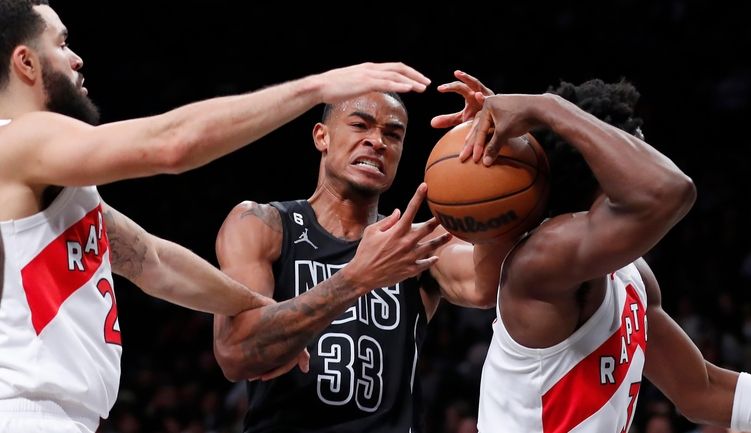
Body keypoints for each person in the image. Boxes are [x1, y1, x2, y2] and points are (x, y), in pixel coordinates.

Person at [0, 1, 432, 432]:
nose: (76, 58)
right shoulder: (22, 136)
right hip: (24, 411)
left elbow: (153, 260)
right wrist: (318, 87)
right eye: (62, 43)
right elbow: (172, 144)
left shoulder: (44, 180)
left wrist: (261, 308)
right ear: (26, 62)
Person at [451, 76, 751, 432]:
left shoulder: (633, 275)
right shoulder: (542, 258)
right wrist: (547, 107)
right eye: (637, 143)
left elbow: (700, 391)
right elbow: (670, 190)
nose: (650, 155)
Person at [211, 80, 505, 430]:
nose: (378, 142)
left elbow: (486, 286)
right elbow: (235, 354)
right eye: (360, 125)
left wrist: (493, 160)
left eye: (393, 135)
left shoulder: (417, 243)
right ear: (322, 137)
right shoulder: (262, 225)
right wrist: (356, 278)